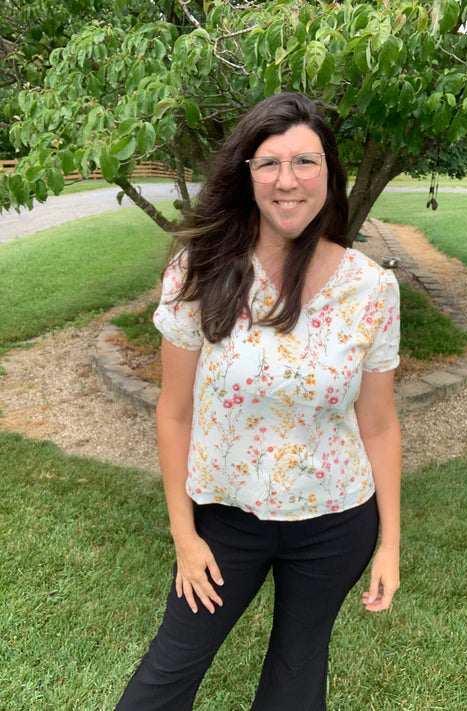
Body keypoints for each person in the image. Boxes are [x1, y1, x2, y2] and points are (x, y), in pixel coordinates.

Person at [114, 92, 401, 711]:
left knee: (296, 685)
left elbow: (377, 425)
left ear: (330, 173)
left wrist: (391, 542)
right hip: (223, 519)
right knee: (162, 683)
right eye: (269, 163)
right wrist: (184, 537)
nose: (287, 180)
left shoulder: (372, 288)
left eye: (306, 161)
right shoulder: (202, 271)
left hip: (335, 520)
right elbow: (175, 412)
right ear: (246, 175)